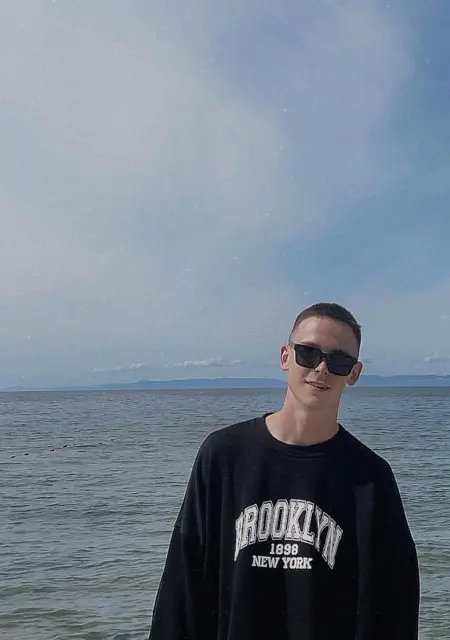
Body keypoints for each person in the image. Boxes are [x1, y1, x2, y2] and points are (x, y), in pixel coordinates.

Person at [148, 302, 420, 639]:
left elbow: (395, 604)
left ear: (354, 373)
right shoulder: (223, 455)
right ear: (285, 356)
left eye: (338, 361)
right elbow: (183, 586)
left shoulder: (371, 478)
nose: (321, 368)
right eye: (308, 353)